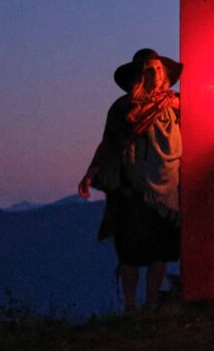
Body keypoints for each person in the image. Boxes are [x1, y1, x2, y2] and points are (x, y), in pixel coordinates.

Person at [78, 48, 184, 312]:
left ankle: (150, 305)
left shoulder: (178, 104)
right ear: (139, 75)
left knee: (161, 250)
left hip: (168, 189)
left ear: (166, 74)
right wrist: (91, 172)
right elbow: (109, 142)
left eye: (159, 69)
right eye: (149, 69)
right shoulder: (123, 108)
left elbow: (207, 122)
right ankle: (129, 307)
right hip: (131, 188)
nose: (155, 74)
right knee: (130, 251)